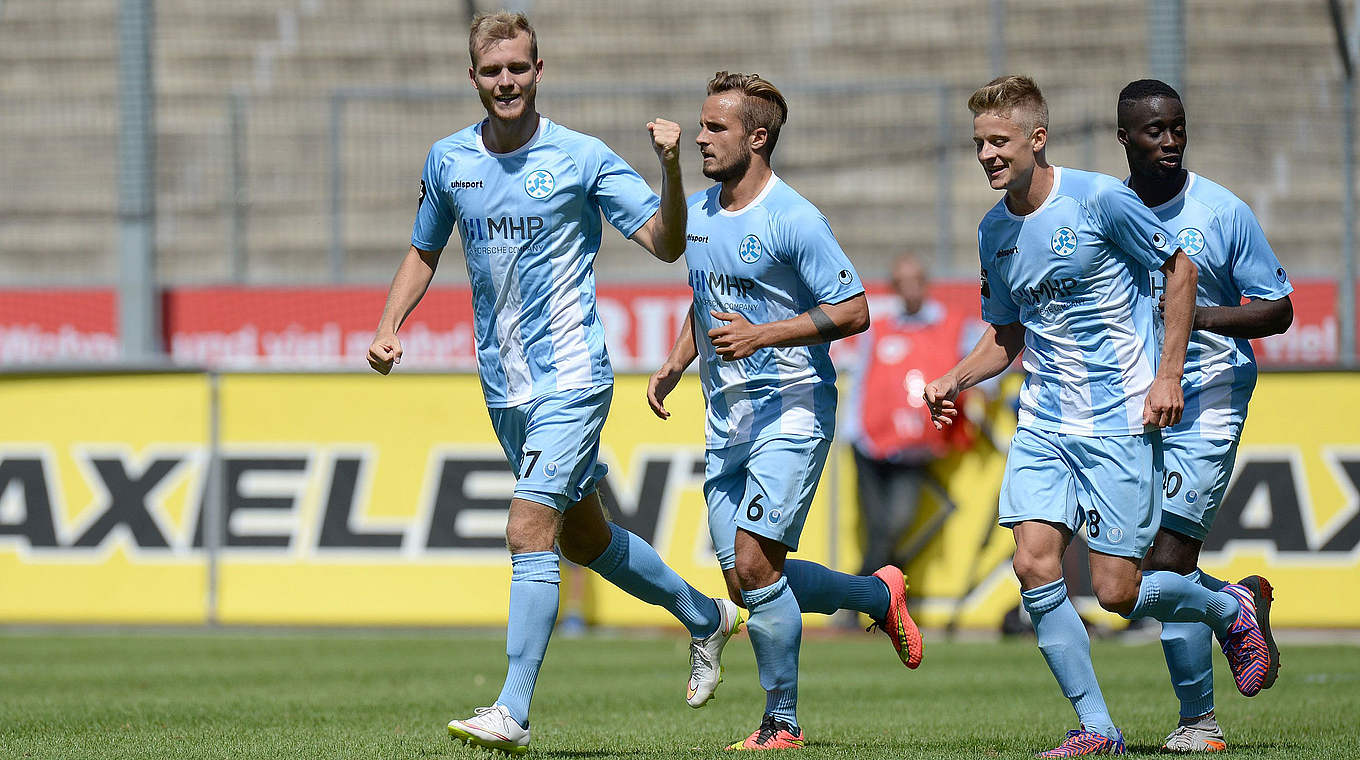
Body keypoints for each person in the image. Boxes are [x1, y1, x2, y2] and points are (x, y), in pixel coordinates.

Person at [366, 13, 742, 754]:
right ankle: (705, 616)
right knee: (584, 536)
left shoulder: (582, 157)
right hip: (504, 386)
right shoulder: (449, 161)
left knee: (526, 526)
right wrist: (389, 324)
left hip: (572, 376)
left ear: (541, 70)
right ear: (471, 78)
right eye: (491, 71)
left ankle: (512, 709)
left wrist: (670, 168)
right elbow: (422, 250)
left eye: (517, 68)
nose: (505, 81)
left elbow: (668, 245)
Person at [923, 75, 1276, 757]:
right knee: (1033, 564)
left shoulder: (1098, 199)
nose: (987, 155)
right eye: (978, 144)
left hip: (1118, 419)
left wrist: (1167, 375)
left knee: (1118, 592)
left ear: (1037, 138)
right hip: (1045, 422)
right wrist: (955, 378)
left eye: (1000, 141)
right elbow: (1006, 332)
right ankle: (1097, 727)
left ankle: (1228, 608)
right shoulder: (992, 230)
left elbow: (1181, 272)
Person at [647, 71, 922, 752]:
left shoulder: (795, 218)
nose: (702, 137)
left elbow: (854, 310)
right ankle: (876, 597)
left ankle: (782, 722)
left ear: (758, 137)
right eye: (702, 125)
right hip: (727, 417)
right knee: (745, 582)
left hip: (793, 409)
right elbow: (707, 297)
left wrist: (762, 334)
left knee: (755, 561)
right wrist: (677, 361)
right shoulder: (705, 213)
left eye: (716, 127)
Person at [1117, 78, 1291, 753]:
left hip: (1211, 393)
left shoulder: (1221, 211)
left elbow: (1277, 309)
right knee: (1137, 572)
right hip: (1138, 400)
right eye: (1154, 130)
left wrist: (1195, 318)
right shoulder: (1109, 210)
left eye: (1177, 127)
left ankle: (1200, 725)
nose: (1169, 140)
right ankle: (1232, 605)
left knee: (1166, 560)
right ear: (1124, 136)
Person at [843, 252, 978, 578]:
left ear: (926, 284)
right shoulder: (880, 326)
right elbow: (862, 376)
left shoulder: (951, 324)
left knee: (898, 522)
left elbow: (992, 351)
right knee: (875, 526)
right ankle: (881, 595)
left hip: (914, 447)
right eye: (902, 283)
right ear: (894, 288)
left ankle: (866, 591)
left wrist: (976, 392)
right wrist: (853, 428)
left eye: (916, 281)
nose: (911, 290)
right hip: (871, 442)